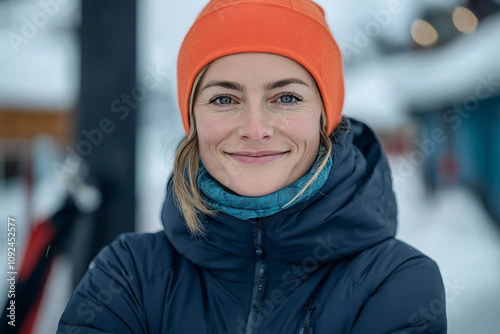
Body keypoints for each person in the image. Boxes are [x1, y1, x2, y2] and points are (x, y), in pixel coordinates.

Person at [58, 0, 447, 333]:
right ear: (192, 119)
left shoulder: (395, 282)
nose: (255, 129)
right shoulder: (128, 275)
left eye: (287, 98)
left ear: (325, 117)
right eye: (225, 99)